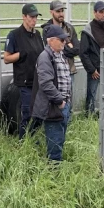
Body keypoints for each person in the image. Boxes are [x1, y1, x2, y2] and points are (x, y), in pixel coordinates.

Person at [32, 25, 73, 162]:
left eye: (64, 39)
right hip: (53, 107)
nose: (64, 42)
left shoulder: (60, 55)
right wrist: (60, 101)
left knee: (60, 139)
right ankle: (54, 172)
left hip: (62, 104)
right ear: (51, 41)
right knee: (55, 143)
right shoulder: (45, 57)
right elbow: (46, 84)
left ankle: (56, 169)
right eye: (61, 40)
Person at [4, 4, 45, 138]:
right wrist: (21, 54)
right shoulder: (14, 35)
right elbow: (6, 58)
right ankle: (23, 140)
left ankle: (33, 138)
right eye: (31, 17)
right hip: (24, 82)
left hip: (37, 81)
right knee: (26, 114)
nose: (34, 20)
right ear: (24, 17)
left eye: (36, 17)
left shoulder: (37, 35)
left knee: (38, 113)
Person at [80, 1, 104, 115]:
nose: (103, 14)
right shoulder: (88, 30)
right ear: (95, 13)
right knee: (92, 95)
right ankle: (89, 116)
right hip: (95, 71)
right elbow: (83, 52)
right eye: (101, 12)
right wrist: (92, 70)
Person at [40, 0, 80, 75]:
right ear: (51, 12)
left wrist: (63, 49)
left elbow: (77, 49)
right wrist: (69, 47)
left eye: (62, 11)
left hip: (70, 71)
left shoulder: (70, 28)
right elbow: (52, 50)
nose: (61, 14)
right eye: (58, 11)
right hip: (55, 72)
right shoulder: (47, 29)